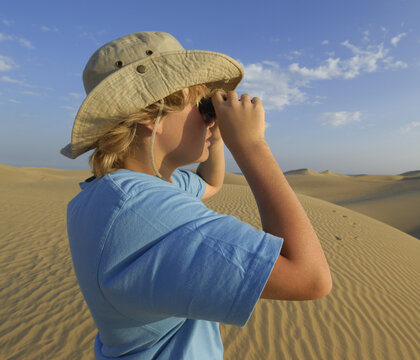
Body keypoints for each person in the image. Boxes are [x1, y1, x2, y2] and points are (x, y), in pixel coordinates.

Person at [62, 31, 331, 359]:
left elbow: (212, 184)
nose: (209, 117)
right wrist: (252, 146)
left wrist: (216, 137)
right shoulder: (144, 212)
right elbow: (311, 278)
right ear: (151, 116)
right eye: (201, 104)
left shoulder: (117, 193)